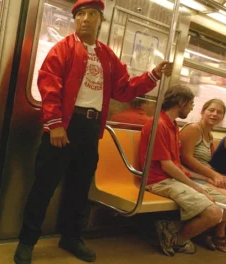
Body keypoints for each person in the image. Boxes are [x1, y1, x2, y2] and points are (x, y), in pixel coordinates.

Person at [13, 0, 173, 263]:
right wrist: (55, 124)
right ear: (75, 20)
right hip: (65, 124)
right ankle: (27, 241)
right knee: (44, 186)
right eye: (80, 15)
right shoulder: (62, 50)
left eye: (91, 14)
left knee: (79, 188)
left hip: (90, 128)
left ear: (100, 20)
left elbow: (124, 89)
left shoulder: (107, 56)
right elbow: (49, 86)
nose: (85, 19)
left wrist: (153, 75)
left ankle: (71, 237)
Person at [139, 85, 226, 256]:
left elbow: (176, 164)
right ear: (181, 103)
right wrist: (197, 187)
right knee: (215, 213)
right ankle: (176, 239)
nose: (192, 107)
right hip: (159, 180)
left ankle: (170, 228)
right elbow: (167, 166)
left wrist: (202, 178)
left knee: (222, 203)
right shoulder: (158, 124)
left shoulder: (172, 125)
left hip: (173, 178)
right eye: (191, 103)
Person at [180, 99, 226, 195]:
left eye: (219, 112)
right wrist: (213, 175)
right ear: (202, 112)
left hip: (203, 176)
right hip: (189, 176)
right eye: (211, 110)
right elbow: (186, 158)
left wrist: (219, 176)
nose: (214, 114)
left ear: (222, 117)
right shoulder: (193, 129)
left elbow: (207, 163)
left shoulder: (210, 136)